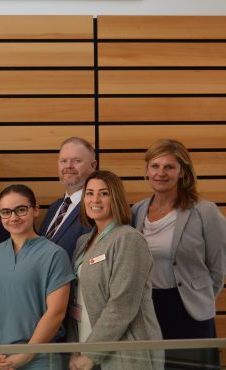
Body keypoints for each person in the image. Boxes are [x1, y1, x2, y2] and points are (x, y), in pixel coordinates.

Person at [132, 139, 225, 369]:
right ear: (146, 170)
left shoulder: (205, 211)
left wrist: (199, 296)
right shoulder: (136, 211)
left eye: (169, 167)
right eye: (155, 166)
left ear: (182, 171)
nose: (160, 173)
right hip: (148, 308)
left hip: (189, 311)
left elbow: (218, 268)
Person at [68, 170, 162, 370]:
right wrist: (75, 349)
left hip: (126, 352)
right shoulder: (83, 242)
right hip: (87, 346)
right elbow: (76, 300)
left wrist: (92, 353)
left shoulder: (128, 239)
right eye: (90, 193)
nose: (95, 199)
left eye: (104, 193)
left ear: (116, 198)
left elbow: (122, 304)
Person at [0, 184, 72, 370]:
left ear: (35, 210)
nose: (13, 217)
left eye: (20, 210)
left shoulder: (54, 254)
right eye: (6, 212)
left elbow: (56, 312)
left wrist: (26, 354)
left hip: (40, 359)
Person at [39, 137, 95, 260]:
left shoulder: (97, 208)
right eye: (63, 161)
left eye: (77, 160)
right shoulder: (55, 207)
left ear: (93, 166)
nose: (68, 166)